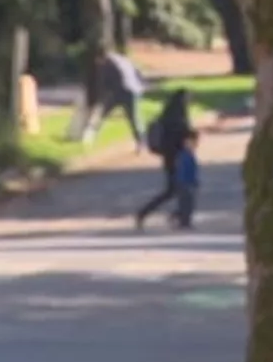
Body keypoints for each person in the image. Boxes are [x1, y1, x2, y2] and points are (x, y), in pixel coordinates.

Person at [136, 88, 192, 230]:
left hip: (173, 157)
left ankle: (179, 217)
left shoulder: (171, 115)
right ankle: (178, 217)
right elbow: (179, 135)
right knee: (178, 189)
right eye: (187, 98)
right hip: (175, 157)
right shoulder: (176, 118)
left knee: (177, 189)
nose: (189, 101)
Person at [84, 49, 146, 151]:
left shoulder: (106, 64)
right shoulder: (122, 59)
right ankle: (141, 142)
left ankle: (90, 136)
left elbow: (104, 83)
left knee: (102, 113)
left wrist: (99, 99)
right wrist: (141, 86)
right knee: (134, 118)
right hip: (133, 90)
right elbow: (137, 71)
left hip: (120, 92)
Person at [170, 129, 200, 229]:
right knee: (185, 203)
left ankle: (184, 220)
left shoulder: (190, 155)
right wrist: (183, 182)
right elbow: (182, 171)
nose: (195, 144)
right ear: (186, 142)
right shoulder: (184, 155)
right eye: (193, 142)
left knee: (189, 204)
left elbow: (193, 170)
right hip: (184, 183)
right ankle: (183, 221)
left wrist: (195, 181)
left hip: (189, 183)